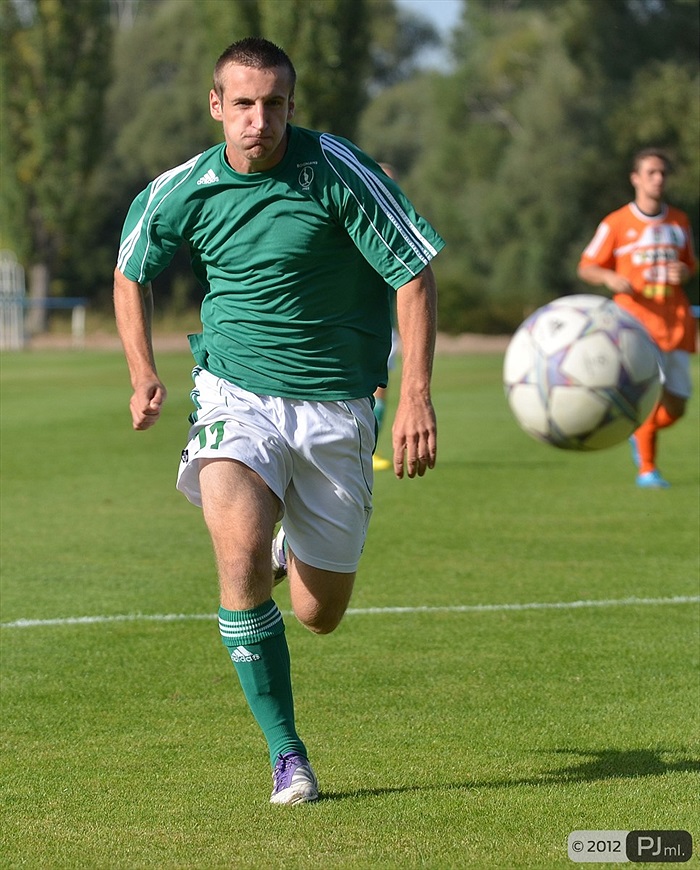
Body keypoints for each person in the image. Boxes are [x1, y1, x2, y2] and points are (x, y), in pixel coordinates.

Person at [114, 37, 444, 805]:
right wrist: (142, 372)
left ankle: (299, 547)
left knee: (318, 614)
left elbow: (414, 270)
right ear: (216, 105)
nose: (258, 119)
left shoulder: (337, 171)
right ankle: (286, 753)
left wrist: (418, 394)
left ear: (291, 106)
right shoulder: (181, 188)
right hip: (236, 394)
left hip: (338, 407)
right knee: (239, 557)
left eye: (273, 104)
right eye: (243, 104)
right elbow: (132, 271)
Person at [578, 147, 697, 488]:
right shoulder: (616, 223)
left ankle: (636, 432)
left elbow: (691, 263)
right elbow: (586, 266)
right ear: (635, 179)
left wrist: (684, 272)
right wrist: (608, 278)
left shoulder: (679, 221)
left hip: (675, 322)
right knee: (649, 397)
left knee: (676, 407)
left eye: (663, 173)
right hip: (635, 325)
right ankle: (648, 469)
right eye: (651, 173)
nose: (658, 178)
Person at [372, 162, 401, 472]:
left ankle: (369, 448)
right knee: (373, 389)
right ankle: (365, 449)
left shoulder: (392, 223)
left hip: (384, 323)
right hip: (357, 325)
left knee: (381, 389)